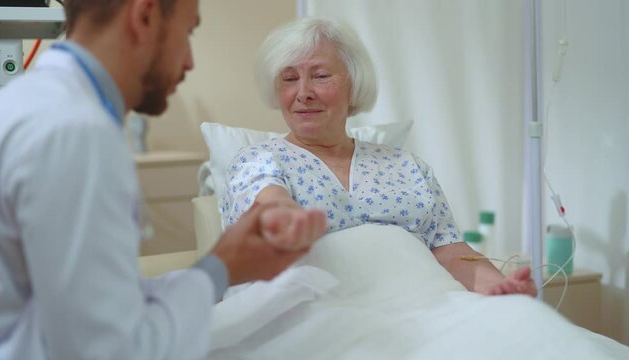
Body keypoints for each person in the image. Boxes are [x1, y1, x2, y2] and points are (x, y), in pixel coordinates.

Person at [0, 1, 327, 359]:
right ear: (145, 16)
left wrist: (220, 266)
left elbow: (86, 303)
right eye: (188, 32)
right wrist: (222, 268)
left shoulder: (20, 106)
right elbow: (111, 349)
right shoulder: (78, 133)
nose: (189, 62)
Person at [221, 17, 536, 298]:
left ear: (354, 83)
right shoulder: (259, 159)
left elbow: (451, 250)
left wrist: (501, 291)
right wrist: (286, 219)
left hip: (424, 307)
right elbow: (270, 205)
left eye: (319, 76)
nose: (303, 92)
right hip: (317, 314)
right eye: (289, 79)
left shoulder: (408, 167)